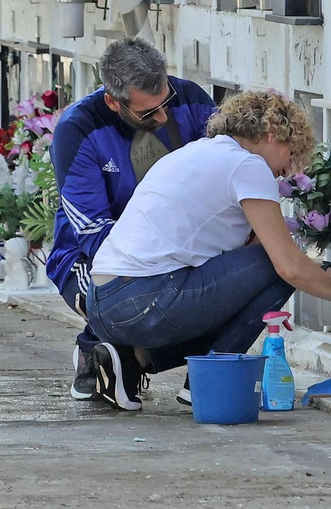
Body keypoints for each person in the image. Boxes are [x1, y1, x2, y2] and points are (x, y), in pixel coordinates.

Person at [84, 91, 331, 410]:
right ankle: (209, 381)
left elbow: (243, 267)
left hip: (103, 303)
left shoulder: (197, 152)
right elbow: (286, 266)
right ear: (272, 133)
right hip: (145, 300)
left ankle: (129, 360)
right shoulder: (247, 166)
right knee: (278, 273)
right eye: (291, 154)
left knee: (262, 277)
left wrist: (329, 273)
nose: (288, 171)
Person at [47, 38, 215, 408]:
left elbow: (224, 177)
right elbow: (94, 234)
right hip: (93, 256)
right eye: (147, 113)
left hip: (183, 244)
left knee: (236, 279)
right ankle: (114, 350)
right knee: (126, 306)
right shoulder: (77, 129)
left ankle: (117, 359)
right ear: (113, 101)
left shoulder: (194, 101)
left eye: (166, 102)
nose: (164, 118)